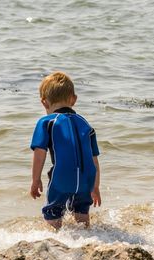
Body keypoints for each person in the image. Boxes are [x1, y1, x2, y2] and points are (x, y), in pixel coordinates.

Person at [30, 71, 101, 229]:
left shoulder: (46, 122)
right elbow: (94, 159)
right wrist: (95, 187)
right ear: (74, 100)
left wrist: (35, 180)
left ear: (44, 102)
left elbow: (39, 153)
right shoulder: (85, 124)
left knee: (53, 212)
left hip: (62, 177)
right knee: (82, 212)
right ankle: (88, 239)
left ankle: (56, 238)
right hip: (86, 178)